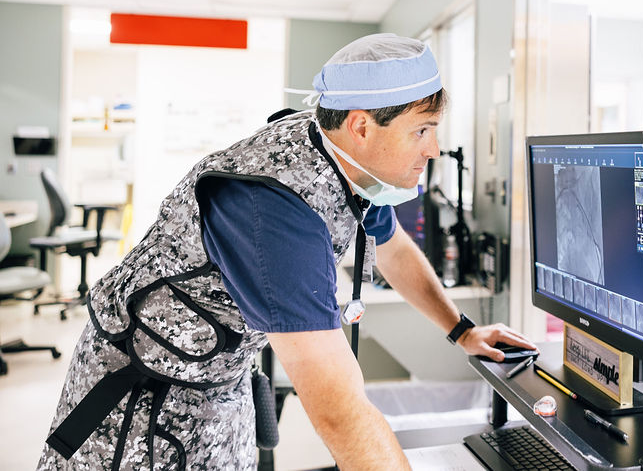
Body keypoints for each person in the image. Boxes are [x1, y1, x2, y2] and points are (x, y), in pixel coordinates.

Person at [38, 33, 535, 470]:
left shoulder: (351, 161)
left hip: (220, 382)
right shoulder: (275, 212)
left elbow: (393, 249)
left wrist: (462, 329)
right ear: (362, 127)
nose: (432, 149)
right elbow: (340, 412)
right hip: (143, 398)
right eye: (421, 131)